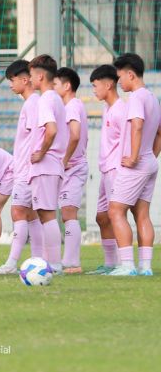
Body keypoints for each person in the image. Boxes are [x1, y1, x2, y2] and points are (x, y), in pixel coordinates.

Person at [108, 53, 161, 276]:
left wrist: (134, 157)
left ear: (131, 74)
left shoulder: (137, 98)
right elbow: (159, 133)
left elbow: (137, 126)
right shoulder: (153, 97)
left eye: (120, 77)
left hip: (136, 164)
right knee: (142, 214)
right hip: (149, 162)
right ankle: (145, 267)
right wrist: (150, 156)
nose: (119, 82)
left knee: (115, 211)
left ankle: (128, 265)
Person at [0, 60, 44, 275]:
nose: (10, 85)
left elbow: (37, 137)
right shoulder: (32, 103)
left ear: (25, 79)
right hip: (26, 168)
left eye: (12, 80)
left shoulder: (33, 103)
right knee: (31, 215)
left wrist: (28, 166)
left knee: (18, 212)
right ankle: (40, 260)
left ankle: (12, 263)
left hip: (27, 170)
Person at [27, 54, 69, 274]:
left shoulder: (44, 99)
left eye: (32, 75)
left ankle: (54, 264)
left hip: (46, 165)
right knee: (47, 213)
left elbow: (51, 130)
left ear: (40, 76)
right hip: (55, 165)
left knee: (46, 214)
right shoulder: (56, 99)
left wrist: (40, 153)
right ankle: (51, 261)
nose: (30, 79)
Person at [88, 64, 126, 275]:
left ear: (109, 84)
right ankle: (110, 263)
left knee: (115, 215)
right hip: (105, 170)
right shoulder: (106, 108)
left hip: (116, 170)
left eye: (95, 85)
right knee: (101, 217)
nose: (93, 90)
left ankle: (124, 263)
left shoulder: (121, 109)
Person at [53, 67, 88, 274]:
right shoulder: (72, 106)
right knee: (66, 212)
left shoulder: (72, 106)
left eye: (56, 84)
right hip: (72, 166)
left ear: (67, 86)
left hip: (73, 167)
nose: (53, 87)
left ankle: (72, 263)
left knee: (69, 213)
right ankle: (67, 260)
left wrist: (64, 160)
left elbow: (74, 135)